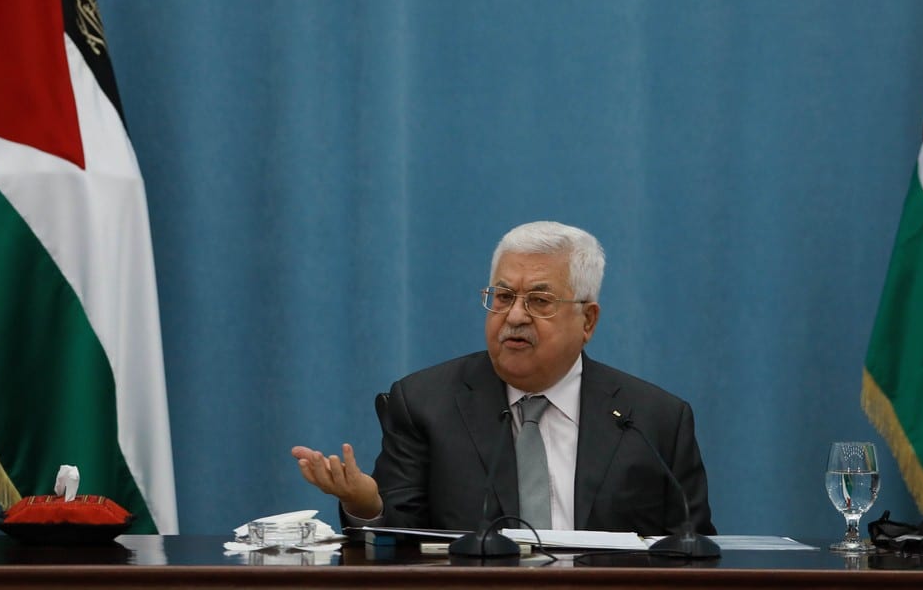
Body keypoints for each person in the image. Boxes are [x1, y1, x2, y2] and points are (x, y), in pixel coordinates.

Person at [291, 221, 715, 535]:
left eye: (540, 300)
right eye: (504, 296)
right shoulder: (425, 404)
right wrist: (367, 506)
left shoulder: (655, 419)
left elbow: (695, 553)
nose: (514, 316)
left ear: (587, 320)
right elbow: (400, 546)